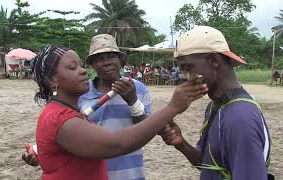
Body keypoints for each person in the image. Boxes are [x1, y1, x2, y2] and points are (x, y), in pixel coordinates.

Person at [29, 45, 207, 180]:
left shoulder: (68, 112)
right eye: (72, 68)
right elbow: (116, 144)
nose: (83, 71)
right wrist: (172, 108)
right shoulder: (60, 117)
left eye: (81, 66)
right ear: (53, 80)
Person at [159, 26, 272, 180]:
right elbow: (207, 163)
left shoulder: (240, 117)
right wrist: (181, 143)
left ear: (213, 61)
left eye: (188, 68)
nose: (185, 77)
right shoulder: (216, 106)